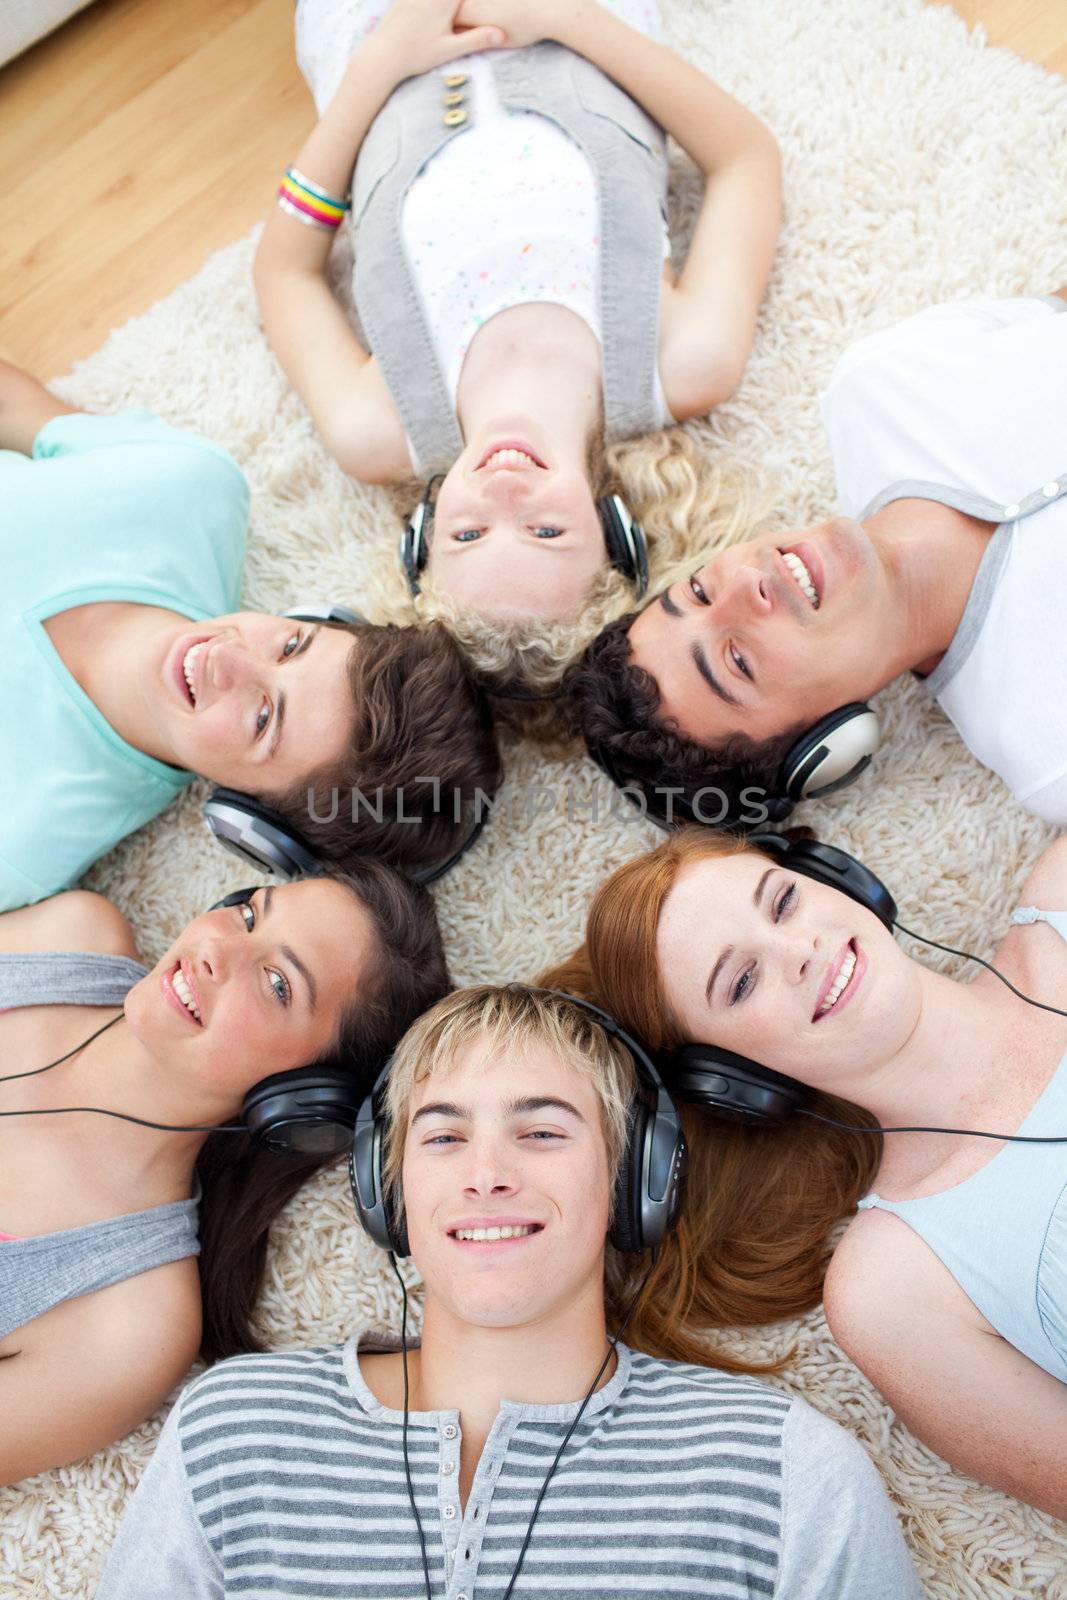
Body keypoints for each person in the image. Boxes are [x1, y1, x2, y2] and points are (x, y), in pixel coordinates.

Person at [97, 984, 921, 1598]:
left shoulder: (780, 1470)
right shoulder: (237, 1430)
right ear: (388, 1197)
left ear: (633, 1182)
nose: (487, 1176)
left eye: (541, 1133)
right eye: (445, 1136)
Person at [542, 827, 1067, 1517]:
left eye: (783, 901)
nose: (798, 951)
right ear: (730, 1078)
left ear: (841, 879)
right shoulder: (891, 1291)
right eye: (741, 981)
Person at [254, 0, 781, 676]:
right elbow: (744, 157)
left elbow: (283, 272)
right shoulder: (683, 360)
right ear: (612, 533)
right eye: (546, 531)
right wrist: (565, 18)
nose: (504, 493)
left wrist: (376, 65)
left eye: (467, 533)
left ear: (422, 542)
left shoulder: (378, 426)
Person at [0, 863, 450, 1486]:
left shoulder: (128, 1323)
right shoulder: (69, 935)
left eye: (277, 983)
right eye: (249, 914)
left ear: (302, 1097)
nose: (216, 948)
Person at [0, 359, 502, 910]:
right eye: (291, 646)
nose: (229, 659)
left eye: (263, 719)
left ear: (249, 818)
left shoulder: (23, 842)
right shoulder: (189, 489)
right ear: (316, 617)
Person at [570, 291, 1067, 826]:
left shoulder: (880, 384)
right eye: (738, 661)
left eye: (699, 591)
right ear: (828, 744)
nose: (742, 584)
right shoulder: (1049, 747)